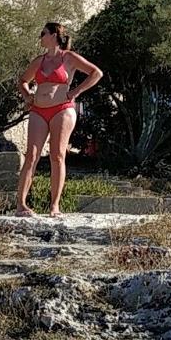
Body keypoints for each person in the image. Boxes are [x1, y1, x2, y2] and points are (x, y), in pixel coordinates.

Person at [14, 21, 103, 217]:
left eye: (43, 33)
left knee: (57, 155)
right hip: (38, 110)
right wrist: (28, 96)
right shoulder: (39, 61)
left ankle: (54, 206)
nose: (40, 37)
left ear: (54, 35)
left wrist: (76, 91)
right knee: (31, 156)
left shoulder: (69, 58)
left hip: (62, 110)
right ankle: (21, 205)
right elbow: (22, 81)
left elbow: (96, 73)